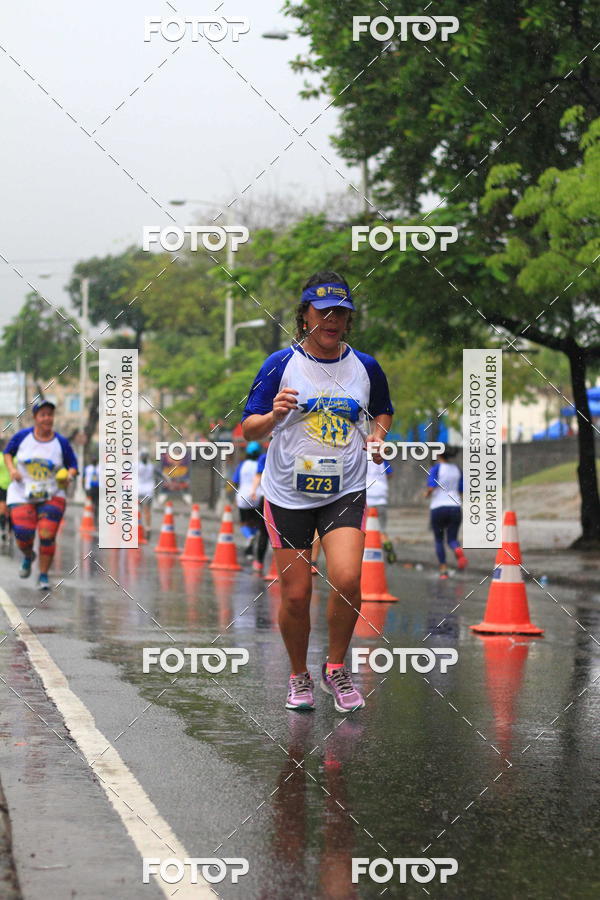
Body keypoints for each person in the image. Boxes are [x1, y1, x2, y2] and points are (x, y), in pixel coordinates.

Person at [242, 270, 393, 712]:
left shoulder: (365, 366)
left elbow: (382, 410)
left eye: (340, 313)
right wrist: (273, 415)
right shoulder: (279, 364)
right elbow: (249, 428)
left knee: (346, 578)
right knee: (296, 594)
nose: (332, 320)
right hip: (287, 493)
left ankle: (336, 667)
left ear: (349, 320)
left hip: (344, 489)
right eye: (323, 312)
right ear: (304, 315)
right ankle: (298, 675)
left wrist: (378, 436)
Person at [4, 400, 78, 590]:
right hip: (22, 493)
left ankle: (43, 576)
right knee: (23, 535)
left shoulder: (61, 442)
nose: (47, 418)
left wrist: (69, 476)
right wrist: (12, 470)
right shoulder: (22, 437)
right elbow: (7, 453)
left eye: (50, 414)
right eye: (43, 414)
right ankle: (28, 555)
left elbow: (73, 465)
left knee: (47, 535)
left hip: (52, 494)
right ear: (35, 418)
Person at [424, 446, 468, 579]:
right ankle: (457, 549)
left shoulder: (436, 468)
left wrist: (426, 494)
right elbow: (461, 490)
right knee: (452, 538)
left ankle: (443, 570)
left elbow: (432, 486)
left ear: (439, 455)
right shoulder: (457, 470)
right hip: (455, 507)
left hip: (438, 507)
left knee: (439, 540)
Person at [231, 441, 262, 559]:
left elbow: (235, 481)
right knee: (255, 522)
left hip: (243, 497)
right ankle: (252, 541)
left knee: (244, 522)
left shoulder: (242, 465)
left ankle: (249, 537)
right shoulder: (260, 465)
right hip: (258, 496)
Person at [366, 456, 396, 563]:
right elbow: (390, 474)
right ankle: (387, 544)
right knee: (381, 529)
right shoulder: (382, 459)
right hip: (381, 497)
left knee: (367, 529)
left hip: (367, 498)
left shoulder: (362, 457)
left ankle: (367, 554)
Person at [138, 448, 156, 537]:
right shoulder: (151, 466)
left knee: (142, 510)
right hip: (147, 491)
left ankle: (145, 528)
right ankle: (147, 528)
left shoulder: (137, 466)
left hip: (142, 491)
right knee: (146, 510)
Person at [0, 440, 11, 545]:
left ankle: (9, 532)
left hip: (13, 488)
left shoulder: (14, 457)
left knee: (11, 511)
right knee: (2, 509)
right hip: (1, 487)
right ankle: (3, 530)